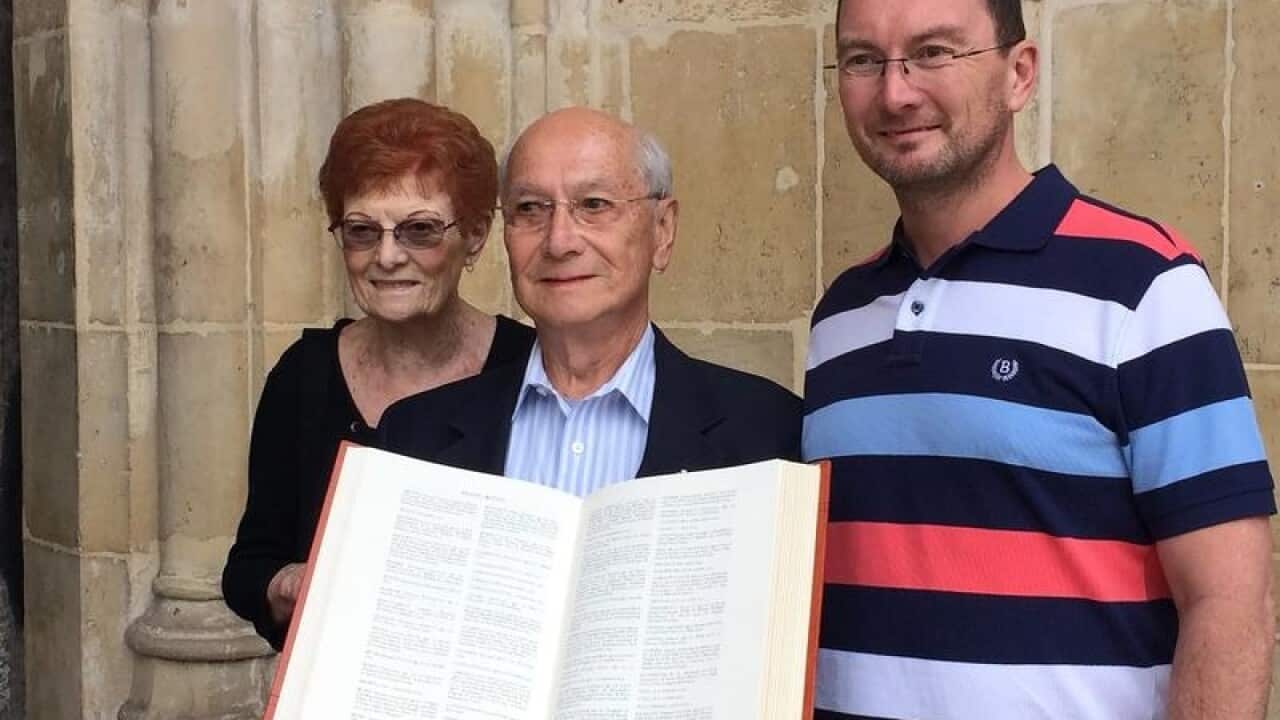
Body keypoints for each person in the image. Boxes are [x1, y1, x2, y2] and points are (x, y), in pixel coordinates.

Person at [804, 0, 1275, 718]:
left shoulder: (1145, 285)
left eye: (934, 52)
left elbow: (1231, 604)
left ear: (1019, 73)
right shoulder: (840, 320)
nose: (895, 92)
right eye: (864, 59)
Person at [222, 98, 535, 650]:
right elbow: (249, 565)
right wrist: (286, 583)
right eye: (363, 231)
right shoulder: (305, 376)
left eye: (419, 229)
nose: (387, 256)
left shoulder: (528, 368)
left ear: (477, 234)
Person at [380, 107, 800, 492]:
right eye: (530, 208)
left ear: (663, 230)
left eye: (594, 205)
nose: (559, 241)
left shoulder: (770, 434)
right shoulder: (413, 438)